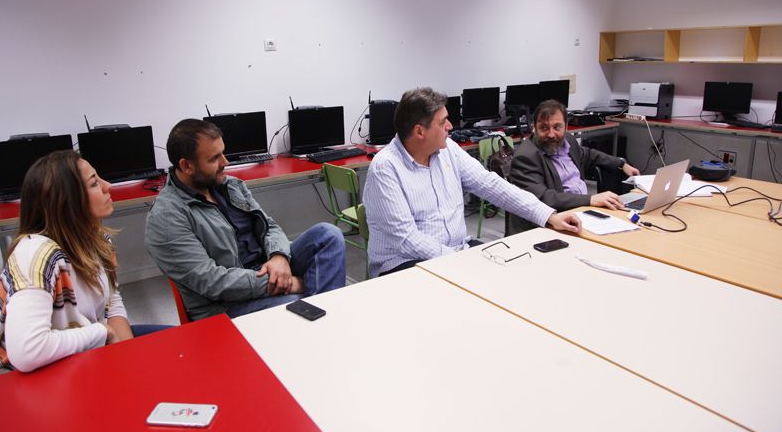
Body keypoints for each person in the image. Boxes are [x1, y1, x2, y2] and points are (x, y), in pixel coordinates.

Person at [362, 87, 581, 278]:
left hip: (456, 251)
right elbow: (407, 239)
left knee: (512, 274)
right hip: (403, 263)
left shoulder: (448, 150)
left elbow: (490, 185)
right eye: (443, 122)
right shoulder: (386, 167)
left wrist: (548, 215)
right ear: (419, 131)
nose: (450, 126)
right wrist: (461, 260)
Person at [145, 119, 346, 321]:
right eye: (214, 158)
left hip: (268, 268)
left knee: (328, 234)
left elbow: (269, 226)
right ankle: (323, 318)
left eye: (223, 153)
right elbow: (212, 282)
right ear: (187, 166)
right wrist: (289, 283)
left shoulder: (231, 185)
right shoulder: (166, 217)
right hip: (225, 305)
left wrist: (279, 256)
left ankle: (319, 318)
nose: (225, 162)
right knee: (296, 303)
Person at [0, 150, 160, 375]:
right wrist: (101, 332)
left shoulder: (98, 240)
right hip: (44, 375)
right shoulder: (35, 254)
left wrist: (127, 356)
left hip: (89, 350)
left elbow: (111, 303)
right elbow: (26, 352)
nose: (108, 185)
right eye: (94, 183)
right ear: (66, 200)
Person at [508, 100, 640, 232]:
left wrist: (621, 164)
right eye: (544, 128)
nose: (551, 134)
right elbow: (544, 198)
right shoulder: (525, 157)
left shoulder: (568, 140)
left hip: (582, 213)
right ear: (534, 128)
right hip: (549, 223)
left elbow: (589, 155)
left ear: (566, 127)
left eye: (557, 127)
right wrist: (590, 199)